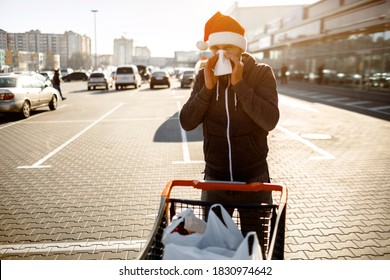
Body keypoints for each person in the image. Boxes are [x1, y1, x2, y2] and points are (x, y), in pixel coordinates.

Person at [180, 12, 279, 238]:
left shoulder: (261, 73)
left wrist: (239, 85)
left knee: (255, 246)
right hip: (215, 179)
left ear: (241, 50)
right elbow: (187, 122)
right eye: (216, 49)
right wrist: (206, 88)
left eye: (229, 48)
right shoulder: (204, 76)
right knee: (217, 247)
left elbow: (270, 120)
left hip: (254, 179)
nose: (221, 54)